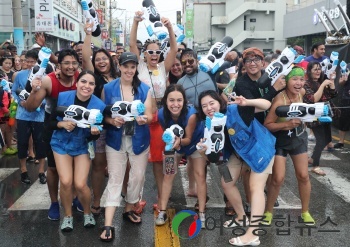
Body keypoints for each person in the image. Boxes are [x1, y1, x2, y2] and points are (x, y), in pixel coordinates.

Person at [197, 90, 274, 246]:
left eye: (212, 103)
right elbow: (213, 158)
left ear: (219, 102)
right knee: (226, 183)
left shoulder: (235, 109)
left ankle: (253, 234)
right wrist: (203, 150)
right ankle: (241, 217)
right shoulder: (208, 126)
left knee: (255, 187)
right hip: (238, 155)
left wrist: (248, 102)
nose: (209, 108)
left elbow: (267, 105)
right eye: (204, 106)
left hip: (260, 149)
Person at [99, 52, 152, 242]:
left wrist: (144, 118)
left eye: (133, 66)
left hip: (139, 138)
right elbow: (102, 114)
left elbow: (151, 115)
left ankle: (129, 208)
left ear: (136, 68)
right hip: (116, 139)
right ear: (119, 66)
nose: (129, 70)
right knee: (115, 178)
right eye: (126, 66)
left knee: (137, 176)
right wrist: (112, 121)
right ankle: (108, 223)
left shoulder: (144, 89)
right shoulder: (108, 88)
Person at [25, 49, 80, 221]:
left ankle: (75, 197)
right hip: (53, 128)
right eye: (66, 63)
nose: (70, 67)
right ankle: (54, 202)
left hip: (77, 128)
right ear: (58, 65)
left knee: (77, 167)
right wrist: (35, 90)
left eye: (74, 63)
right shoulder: (49, 81)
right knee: (54, 169)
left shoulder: (81, 78)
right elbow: (30, 107)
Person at [129, 10, 177, 208]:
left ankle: (161, 199)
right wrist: (135, 22)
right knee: (137, 162)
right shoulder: (138, 66)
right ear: (145, 54)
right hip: (140, 117)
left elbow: (174, 48)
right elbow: (132, 44)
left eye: (157, 52)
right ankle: (136, 200)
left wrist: (170, 28)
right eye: (150, 52)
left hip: (160, 117)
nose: (154, 55)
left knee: (158, 160)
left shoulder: (164, 67)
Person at [50, 70, 105, 231]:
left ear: (95, 87)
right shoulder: (62, 97)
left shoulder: (99, 105)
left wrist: (95, 133)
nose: (86, 86)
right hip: (61, 143)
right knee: (66, 181)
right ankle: (68, 216)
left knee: (80, 184)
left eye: (91, 83)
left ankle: (87, 212)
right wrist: (62, 124)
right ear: (77, 82)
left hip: (82, 145)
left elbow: (95, 134)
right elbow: (49, 122)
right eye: (83, 82)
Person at [234, 47, 285, 214]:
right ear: (244, 64)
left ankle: (267, 196)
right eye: (248, 60)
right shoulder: (241, 83)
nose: (252, 63)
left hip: (272, 126)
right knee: (251, 167)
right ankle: (250, 201)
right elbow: (256, 104)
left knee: (269, 169)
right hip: (252, 129)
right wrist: (274, 89)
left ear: (263, 62)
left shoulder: (270, 77)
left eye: (256, 59)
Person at [262, 67, 315, 226]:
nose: (298, 83)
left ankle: (305, 211)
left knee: (304, 175)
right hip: (281, 141)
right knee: (277, 178)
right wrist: (286, 124)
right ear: (286, 81)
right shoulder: (279, 100)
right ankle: (268, 211)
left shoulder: (302, 94)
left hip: (299, 138)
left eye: (301, 79)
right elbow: (267, 124)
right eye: (294, 79)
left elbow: (312, 104)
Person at [155, 84, 206, 227]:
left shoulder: (192, 115)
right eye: (171, 100)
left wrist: (179, 142)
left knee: (200, 174)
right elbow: (167, 134)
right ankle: (162, 211)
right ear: (165, 101)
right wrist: (172, 143)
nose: (175, 104)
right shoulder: (160, 114)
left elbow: (188, 139)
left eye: (179, 100)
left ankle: (201, 212)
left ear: (184, 101)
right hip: (175, 143)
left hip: (195, 141)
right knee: (168, 173)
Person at [82, 21, 119, 215]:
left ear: (111, 61)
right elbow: (87, 56)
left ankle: (125, 200)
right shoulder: (93, 78)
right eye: (98, 60)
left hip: (120, 127)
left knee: (119, 167)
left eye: (105, 59)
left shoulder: (119, 76)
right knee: (98, 166)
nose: (101, 62)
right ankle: (97, 201)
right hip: (101, 127)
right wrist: (88, 33)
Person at [12, 49, 47, 185]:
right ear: (24, 62)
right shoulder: (19, 75)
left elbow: (47, 96)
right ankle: (23, 170)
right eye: (28, 61)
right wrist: (20, 101)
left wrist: (39, 103)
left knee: (41, 144)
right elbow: (14, 91)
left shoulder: (44, 77)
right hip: (23, 115)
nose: (30, 64)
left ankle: (41, 171)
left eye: (33, 62)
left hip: (39, 116)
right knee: (22, 143)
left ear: (37, 62)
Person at [304, 61, 338, 176]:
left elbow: (333, 95)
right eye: (315, 69)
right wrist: (323, 85)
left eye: (319, 69)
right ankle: (315, 166)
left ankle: (313, 158)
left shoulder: (321, 80)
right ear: (309, 71)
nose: (318, 71)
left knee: (327, 138)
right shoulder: (306, 84)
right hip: (315, 116)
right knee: (321, 140)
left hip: (326, 113)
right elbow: (314, 99)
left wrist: (332, 83)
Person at [334, 66, 350, 149]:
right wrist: (344, 80)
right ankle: (341, 141)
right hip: (346, 98)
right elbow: (340, 82)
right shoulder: (347, 67)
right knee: (343, 119)